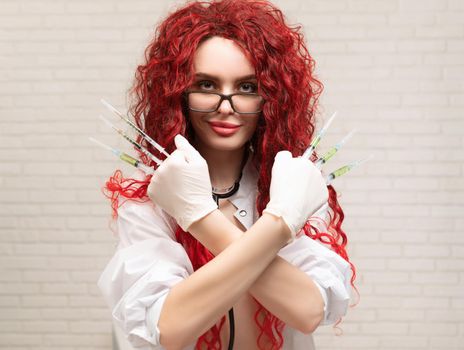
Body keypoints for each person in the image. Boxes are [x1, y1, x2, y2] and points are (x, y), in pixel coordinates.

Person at [97, 0, 356, 349]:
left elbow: (308, 310)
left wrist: (206, 220)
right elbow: (168, 327)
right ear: (178, 91)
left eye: (247, 88)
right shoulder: (152, 197)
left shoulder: (295, 188)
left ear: (272, 98)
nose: (225, 105)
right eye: (206, 85)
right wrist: (278, 226)